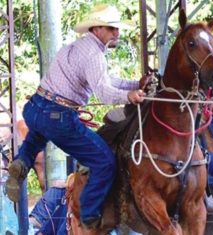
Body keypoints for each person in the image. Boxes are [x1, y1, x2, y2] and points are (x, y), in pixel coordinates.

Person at [5, 4, 151, 230]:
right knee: (104, 160)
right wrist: (130, 95)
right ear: (97, 29)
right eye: (112, 29)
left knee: (37, 135)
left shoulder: (74, 47)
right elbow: (104, 91)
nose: (117, 33)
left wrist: (134, 85)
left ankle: (22, 161)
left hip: (35, 108)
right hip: (59, 117)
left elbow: (106, 80)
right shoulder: (94, 55)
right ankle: (89, 213)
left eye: (117, 29)